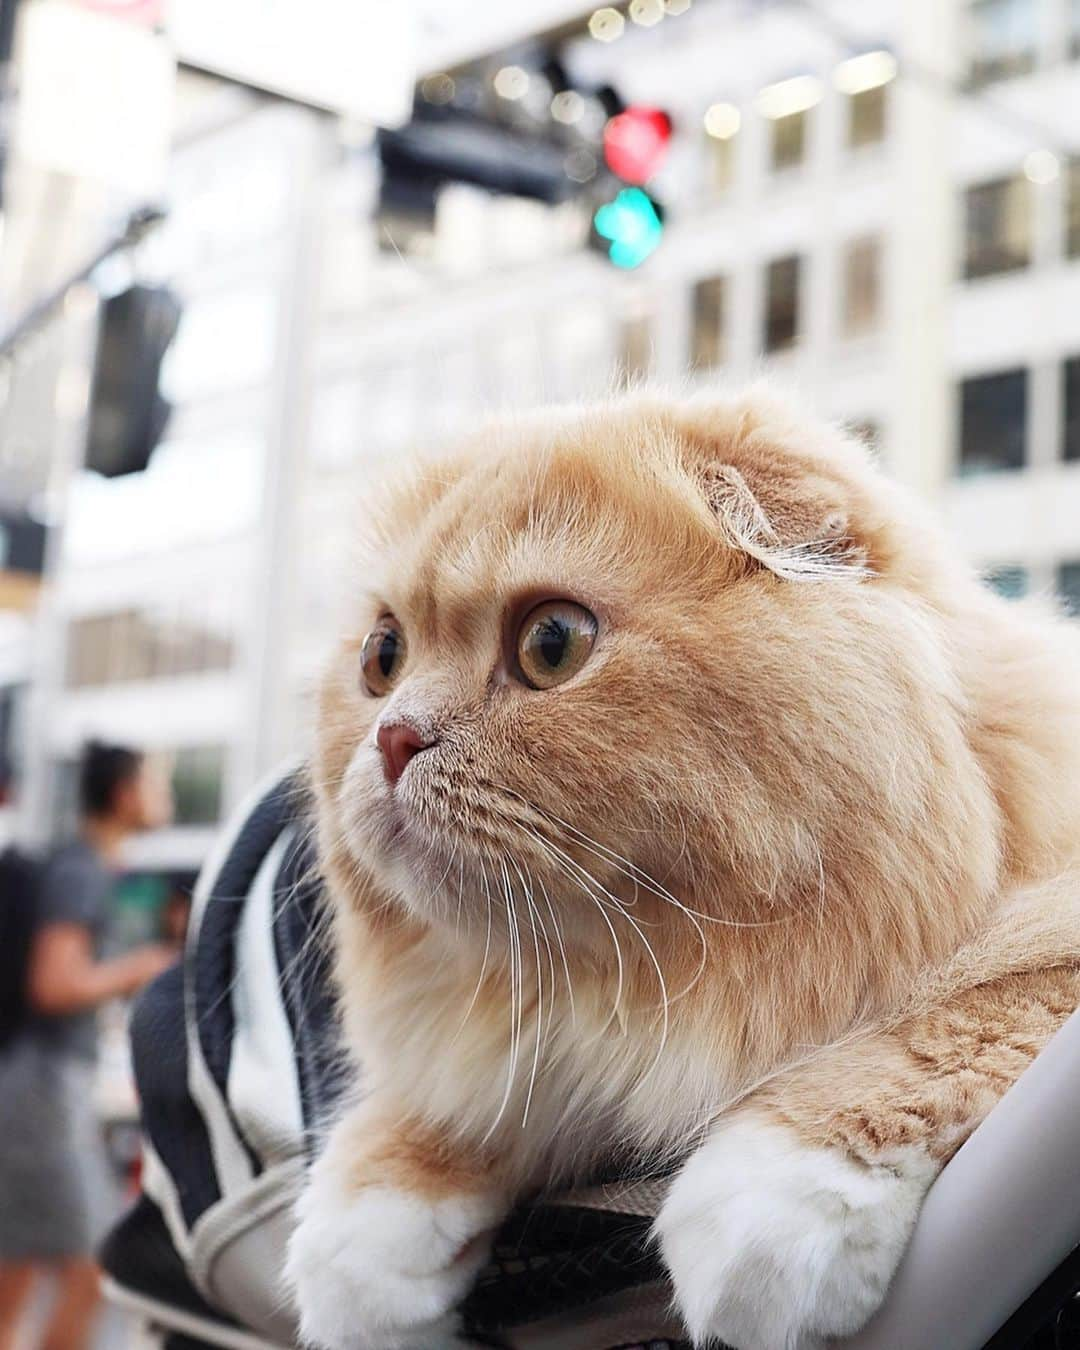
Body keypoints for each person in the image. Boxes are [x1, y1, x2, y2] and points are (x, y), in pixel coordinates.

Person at [0, 742, 177, 1350]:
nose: (165, 796)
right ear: (125, 794)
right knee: (94, 1256)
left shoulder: (82, 866)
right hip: (44, 1087)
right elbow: (54, 984)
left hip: (41, 1082)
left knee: (20, 1256)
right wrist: (142, 968)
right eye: (156, 781)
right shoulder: (81, 871)